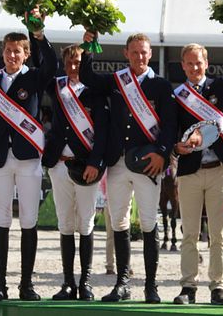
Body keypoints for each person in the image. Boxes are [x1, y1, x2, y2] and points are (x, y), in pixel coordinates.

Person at [0, 10, 56, 302]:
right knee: (1, 219)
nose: (12, 55)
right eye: (8, 51)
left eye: (18, 51)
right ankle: (0, 284)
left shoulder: (35, 78)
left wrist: (39, 34)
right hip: (0, 159)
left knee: (28, 219)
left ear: (26, 54)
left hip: (28, 157)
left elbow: (52, 65)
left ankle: (26, 285)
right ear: (2, 53)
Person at [79, 31, 177, 304]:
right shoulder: (116, 81)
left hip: (148, 163)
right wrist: (88, 47)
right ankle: (122, 283)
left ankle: (151, 286)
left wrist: (161, 153)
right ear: (126, 54)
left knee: (148, 222)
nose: (139, 56)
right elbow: (87, 78)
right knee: (119, 223)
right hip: (117, 162)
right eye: (134, 52)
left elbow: (170, 125)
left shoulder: (161, 86)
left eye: (144, 52)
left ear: (151, 54)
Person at [171, 35, 223, 306]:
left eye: (199, 63)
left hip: (219, 168)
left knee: (219, 232)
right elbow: (171, 134)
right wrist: (176, 148)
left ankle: (218, 286)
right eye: (189, 64)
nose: (195, 68)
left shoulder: (221, 87)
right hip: (189, 171)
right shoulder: (177, 96)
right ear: (182, 66)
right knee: (190, 233)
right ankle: (188, 286)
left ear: (206, 63)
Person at [41, 44, 108, 301]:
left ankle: (86, 281)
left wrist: (95, 162)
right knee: (65, 223)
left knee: (86, 223)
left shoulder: (95, 92)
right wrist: (39, 36)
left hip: (86, 166)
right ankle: (68, 282)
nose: (73, 66)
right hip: (60, 164)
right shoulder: (57, 86)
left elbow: (102, 131)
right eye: (69, 61)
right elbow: (43, 63)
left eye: (78, 61)